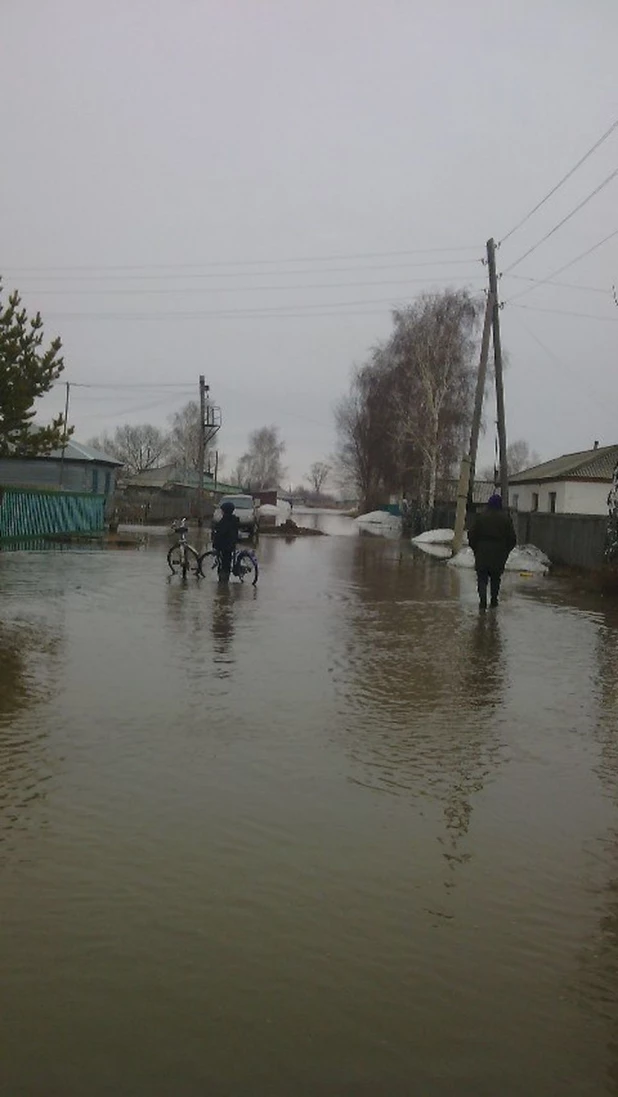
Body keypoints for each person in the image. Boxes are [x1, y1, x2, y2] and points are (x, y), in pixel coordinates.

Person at [467, 493, 516, 610]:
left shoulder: (481, 517)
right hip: (498, 554)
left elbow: (471, 535)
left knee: (482, 578)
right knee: (495, 578)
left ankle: (482, 601)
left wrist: (476, 549)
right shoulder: (506, 519)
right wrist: (505, 552)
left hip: (482, 552)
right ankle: (494, 601)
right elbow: (512, 539)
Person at [212, 499, 240, 582]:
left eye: (222, 510)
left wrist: (215, 545)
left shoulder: (224, 521)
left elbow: (220, 534)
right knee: (227, 561)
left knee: (224, 564)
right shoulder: (234, 519)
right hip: (231, 545)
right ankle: (225, 580)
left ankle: (223, 583)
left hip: (224, 546)